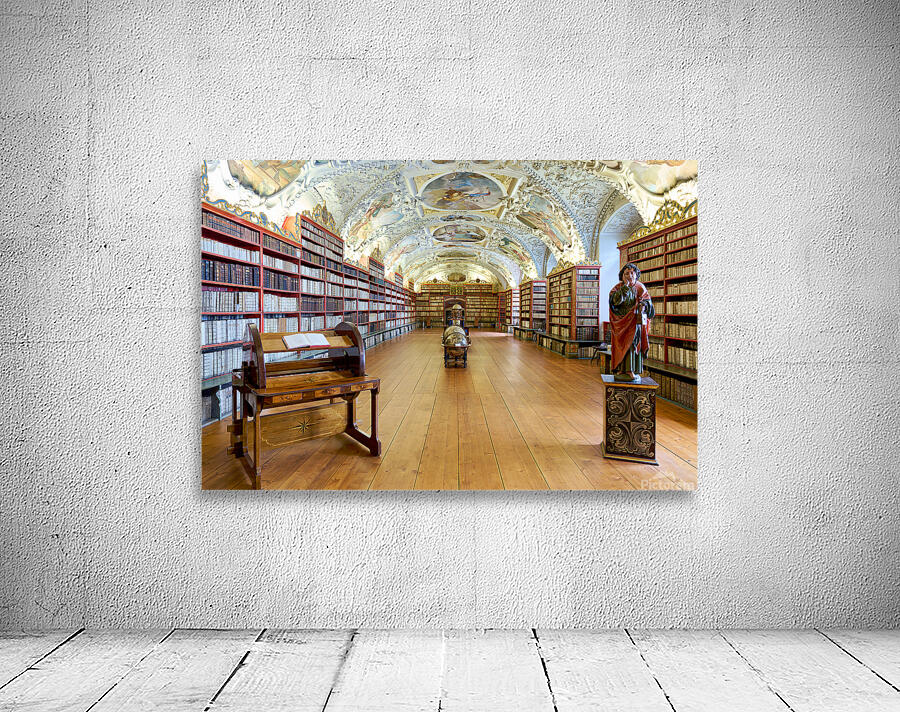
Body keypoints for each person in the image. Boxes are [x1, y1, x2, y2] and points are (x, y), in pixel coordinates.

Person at [609, 262, 654, 382]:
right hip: (621, 322)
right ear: (622, 275)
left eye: (632, 273)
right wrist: (624, 288)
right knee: (620, 345)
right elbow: (614, 302)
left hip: (634, 322)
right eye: (626, 273)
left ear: (636, 275)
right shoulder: (617, 288)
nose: (629, 276)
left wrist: (643, 305)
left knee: (632, 345)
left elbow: (648, 302)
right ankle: (620, 369)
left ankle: (631, 370)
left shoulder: (640, 287)